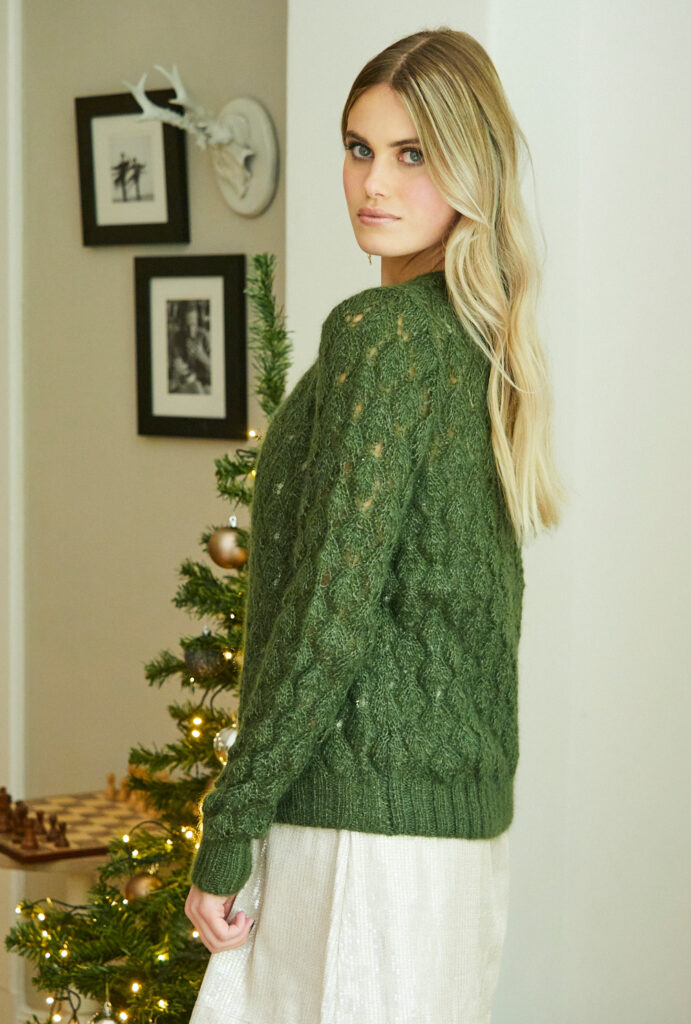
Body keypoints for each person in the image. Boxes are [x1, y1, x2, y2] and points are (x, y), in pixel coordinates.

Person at [185, 26, 567, 1024]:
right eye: (358, 148)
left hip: (355, 836)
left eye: (411, 154)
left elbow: (330, 613)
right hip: (450, 844)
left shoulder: (384, 336)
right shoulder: (473, 343)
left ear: (470, 168)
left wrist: (230, 823)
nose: (373, 183)